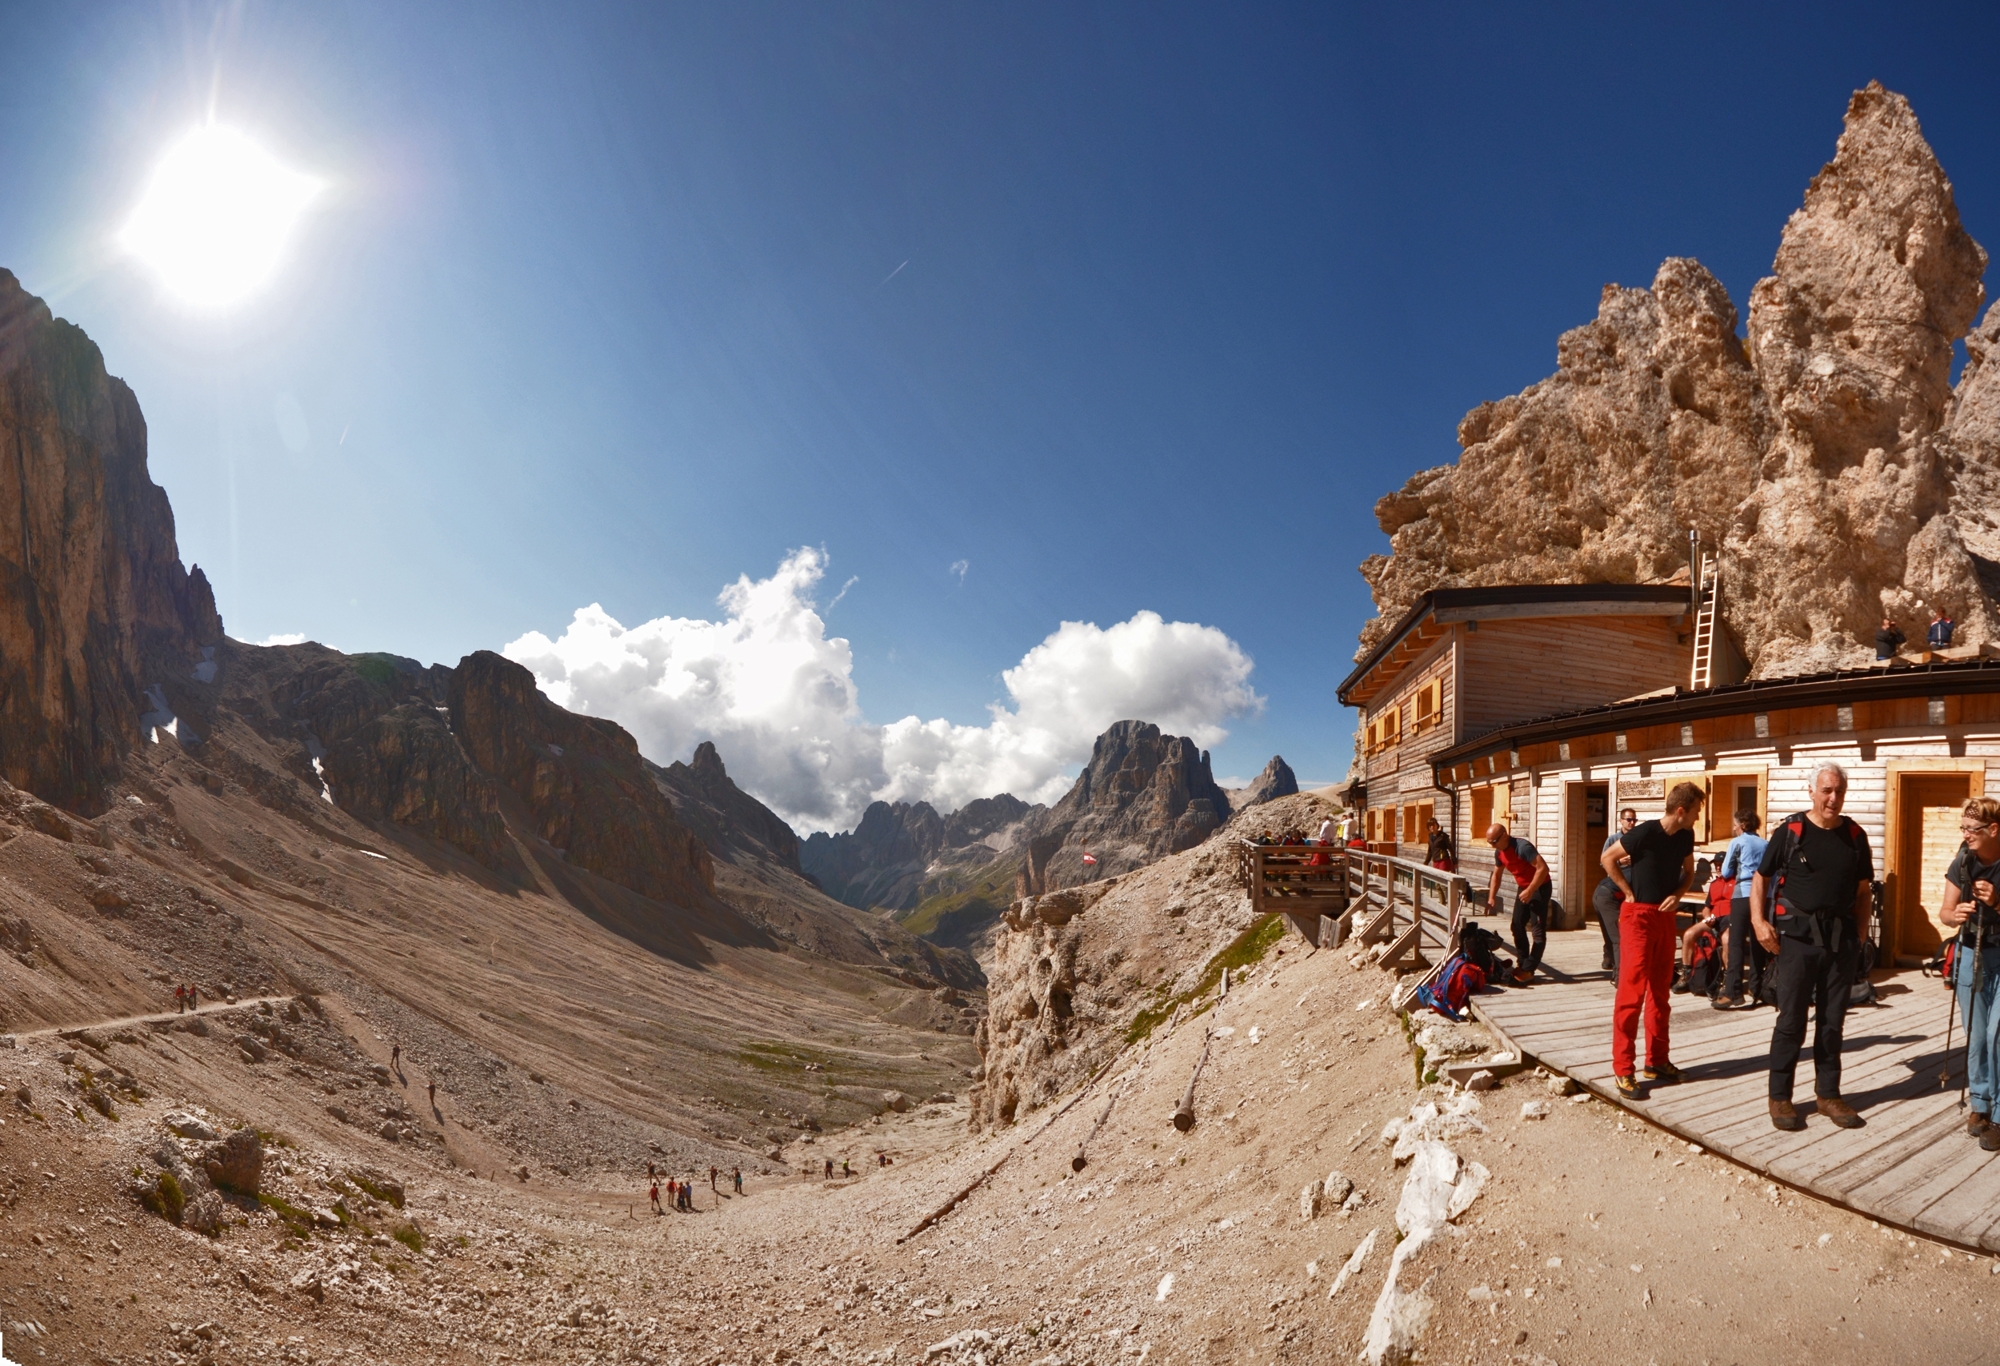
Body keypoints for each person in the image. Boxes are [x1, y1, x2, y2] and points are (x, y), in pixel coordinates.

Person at [1751, 762, 1873, 1132]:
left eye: (1838, 791)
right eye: (1826, 790)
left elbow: (1864, 892)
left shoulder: (1855, 835)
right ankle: (1780, 1096)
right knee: (1791, 1020)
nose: (1832, 798)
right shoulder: (1791, 831)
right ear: (1812, 791)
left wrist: (1862, 937)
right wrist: (1758, 922)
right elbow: (1761, 877)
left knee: (1832, 1022)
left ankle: (1828, 1094)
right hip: (1798, 940)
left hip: (1841, 942)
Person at [1600, 783, 1704, 1099]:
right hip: (1637, 917)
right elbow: (1608, 859)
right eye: (1697, 810)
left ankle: (1656, 1061)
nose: (1699, 817)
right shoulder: (1644, 833)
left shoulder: (1686, 836)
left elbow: (1687, 873)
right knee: (1631, 991)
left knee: (1661, 991)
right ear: (1681, 810)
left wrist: (1678, 895)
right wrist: (1628, 893)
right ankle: (1623, 1069)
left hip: (1664, 916)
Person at [1942, 798, 2000, 1149]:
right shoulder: (1962, 862)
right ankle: (1980, 1103)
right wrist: (1957, 914)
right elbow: (1945, 913)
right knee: (1977, 1034)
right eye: (1963, 828)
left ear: (1993, 829)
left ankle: (1998, 1114)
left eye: (1972, 829)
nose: (1966, 835)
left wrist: (1997, 902)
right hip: (1971, 954)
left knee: (1998, 1033)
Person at [1712, 812, 1770, 1011]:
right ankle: (1756, 987)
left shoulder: (1737, 842)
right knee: (1757, 942)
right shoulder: (1765, 844)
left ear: (1743, 825)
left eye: (1735, 824)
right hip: (1764, 896)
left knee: (1736, 943)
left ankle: (1733, 993)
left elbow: (1727, 871)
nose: (1734, 828)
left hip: (1743, 893)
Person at [1484, 823, 1551, 984]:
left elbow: (1543, 869)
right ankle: (1522, 963)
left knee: (1538, 932)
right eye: (1489, 843)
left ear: (1505, 835)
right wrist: (1491, 898)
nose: (1492, 845)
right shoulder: (1499, 852)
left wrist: (1530, 890)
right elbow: (1496, 875)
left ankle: (1529, 969)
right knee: (1517, 925)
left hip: (1539, 887)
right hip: (1524, 887)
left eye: (1494, 841)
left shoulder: (1522, 847)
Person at [1673, 857, 1730, 994]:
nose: (1717, 868)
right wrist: (1707, 917)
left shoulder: (1737, 883)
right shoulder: (1714, 884)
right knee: (1688, 934)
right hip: (1713, 919)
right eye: (1716, 865)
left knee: (1727, 939)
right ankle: (1687, 974)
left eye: (1721, 865)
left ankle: (1728, 978)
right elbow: (1706, 907)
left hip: (1730, 919)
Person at [1595, 808, 1638, 973]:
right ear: (1621, 821)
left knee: (1622, 927)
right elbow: (1603, 862)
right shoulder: (1613, 839)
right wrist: (1619, 861)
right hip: (1613, 886)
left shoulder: (1636, 839)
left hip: (1629, 888)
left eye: (1634, 820)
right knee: (1610, 927)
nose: (1631, 823)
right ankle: (1610, 958)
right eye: (1628, 819)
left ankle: (1620, 959)